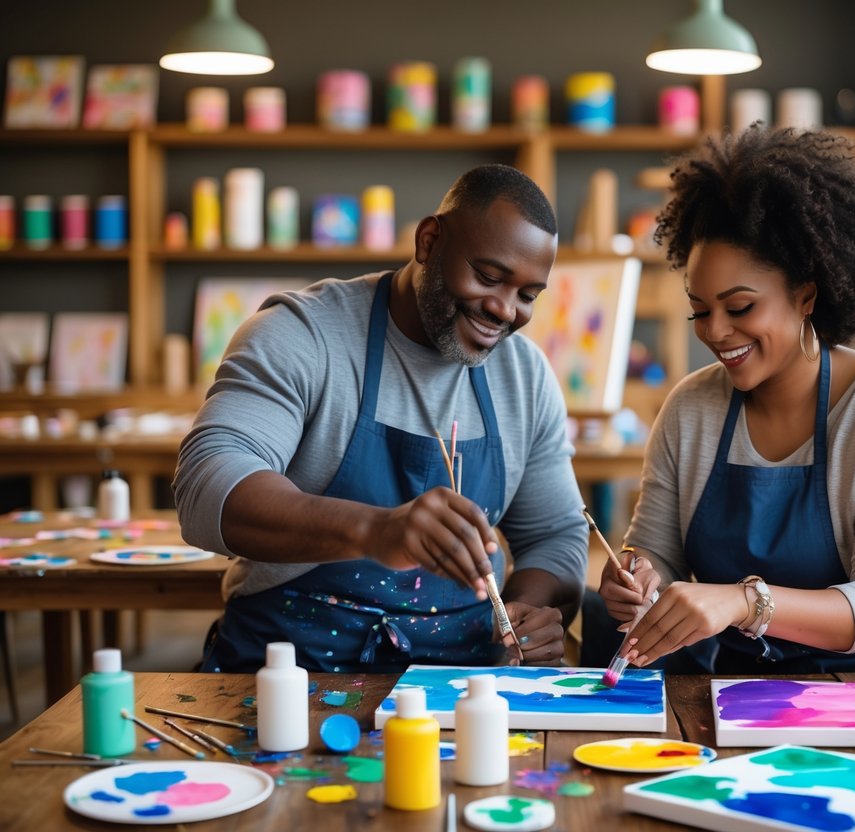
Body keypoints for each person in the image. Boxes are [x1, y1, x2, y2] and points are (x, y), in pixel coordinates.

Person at [174, 164, 587, 673]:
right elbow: (205, 486)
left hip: (461, 686)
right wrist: (373, 530)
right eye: (488, 276)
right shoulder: (303, 335)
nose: (505, 310)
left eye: (527, 295)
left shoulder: (524, 377)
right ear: (429, 241)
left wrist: (533, 609)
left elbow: (557, 535)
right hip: (287, 676)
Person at [592, 126, 855, 674]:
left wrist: (745, 601)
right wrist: (635, 576)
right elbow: (655, 554)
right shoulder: (690, 410)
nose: (715, 331)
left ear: (806, 294)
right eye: (700, 310)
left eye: (739, 307)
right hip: (749, 689)